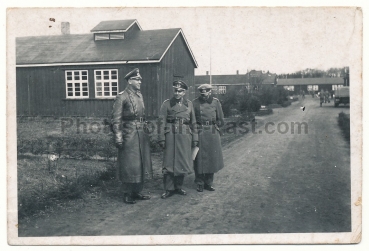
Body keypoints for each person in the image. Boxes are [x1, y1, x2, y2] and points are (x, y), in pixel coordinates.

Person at [111, 68, 153, 204]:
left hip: (141, 133)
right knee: (129, 164)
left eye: (140, 79)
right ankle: (127, 193)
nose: (140, 81)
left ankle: (137, 191)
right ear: (130, 81)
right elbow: (116, 119)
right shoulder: (121, 96)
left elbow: (143, 115)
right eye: (137, 79)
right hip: (129, 134)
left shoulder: (139, 95)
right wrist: (118, 136)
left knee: (140, 163)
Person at [158, 80, 198, 199]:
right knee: (169, 162)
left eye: (180, 91)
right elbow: (161, 122)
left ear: (185, 92)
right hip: (170, 134)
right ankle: (169, 189)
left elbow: (194, 121)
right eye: (175, 90)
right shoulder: (167, 104)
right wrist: (161, 138)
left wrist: (195, 137)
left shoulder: (189, 104)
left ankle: (178, 187)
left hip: (185, 135)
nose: (177, 93)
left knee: (182, 161)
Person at [192, 84, 224, 192]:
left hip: (212, 133)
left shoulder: (215, 102)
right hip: (200, 131)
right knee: (199, 158)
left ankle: (209, 183)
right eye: (201, 92)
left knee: (211, 158)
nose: (203, 94)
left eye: (205, 92)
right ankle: (200, 182)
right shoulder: (195, 103)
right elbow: (192, 119)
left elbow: (221, 119)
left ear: (210, 92)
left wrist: (215, 126)